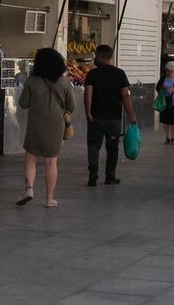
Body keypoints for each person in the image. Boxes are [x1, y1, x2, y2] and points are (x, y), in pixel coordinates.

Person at [18, 47, 74, 208]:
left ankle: (29, 189)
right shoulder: (64, 82)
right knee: (51, 162)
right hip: (56, 125)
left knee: (31, 158)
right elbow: (72, 105)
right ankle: (50, 198)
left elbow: (23, 103)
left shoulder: (32, 80)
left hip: (35, 125)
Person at [84, 44, 137, 186]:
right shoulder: (119, 73)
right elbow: (125, 95)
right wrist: (131, 114)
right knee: (112, 147)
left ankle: (93, 175)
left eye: (95, 55)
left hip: (96, 117)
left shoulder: (92, 74)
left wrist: (88, 112)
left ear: (100, 57)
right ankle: (110, 176)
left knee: (93, 146)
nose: (94, 58)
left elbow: (88, 93)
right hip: (113, 118)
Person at [155, 60, 174, 144]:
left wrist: (173, 89)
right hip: (165, 101)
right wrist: (163, 88)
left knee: (173, 120)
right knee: (165, 119)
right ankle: (167, 137)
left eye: (171, 71)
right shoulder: (163, 78)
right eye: (168, 71)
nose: (169, 73)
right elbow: (157, 87)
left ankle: (173, 137)